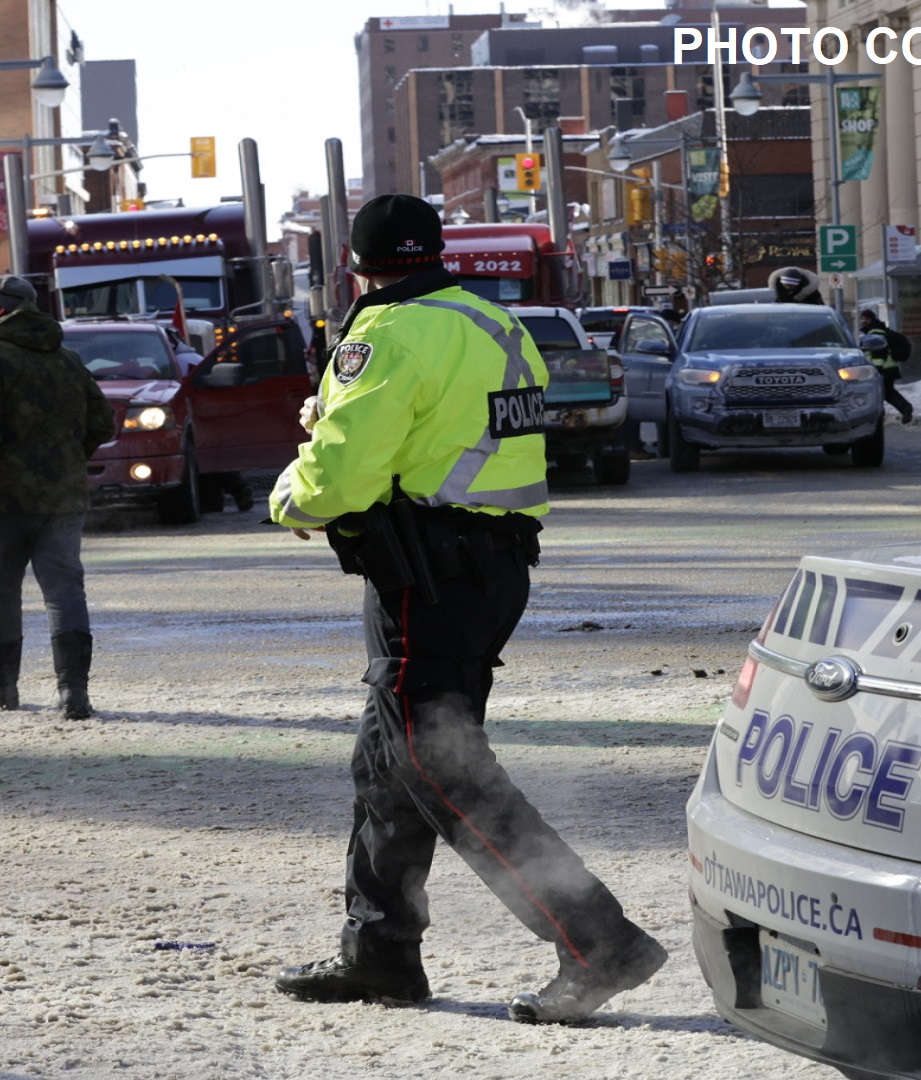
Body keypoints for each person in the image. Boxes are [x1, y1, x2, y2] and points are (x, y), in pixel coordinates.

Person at [269, 194, 665, 1024]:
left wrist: (293, 493)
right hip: (490, 568)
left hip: (425, 577)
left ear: (357, 262)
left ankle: (598, 941)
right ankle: (379, 954)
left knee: (433, 764)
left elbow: (339, 478)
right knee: (388, 764)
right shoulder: (496, 323)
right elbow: (455, 431)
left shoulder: (384, 333)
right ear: (435, 253)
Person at [0, 275, 113, 720]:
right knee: (64, 591)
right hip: (61, 496)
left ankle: (1, 684)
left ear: (1, 312)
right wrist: (64, 461)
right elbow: (102, 424)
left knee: (0, 589)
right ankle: (73, 694)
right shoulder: (68, 359)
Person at [857, 309, 914, 422]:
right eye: (862, 318)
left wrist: (876, 369)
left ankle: (901, 410)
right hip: (886, 369)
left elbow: (879, 352)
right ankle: (903, 410)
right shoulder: (874, 330)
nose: (863, 321)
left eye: (866, 319)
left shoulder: (875, 331)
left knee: (882, 393)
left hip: (883, 369)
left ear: (871, 319)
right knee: (885, 392)